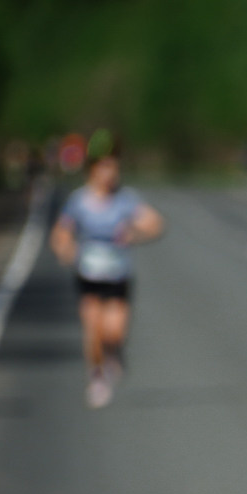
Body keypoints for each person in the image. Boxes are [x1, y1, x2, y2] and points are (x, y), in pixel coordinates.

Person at [51, 138, 163, 409]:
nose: (110, 174)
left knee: (114, 330)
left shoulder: (125, 200)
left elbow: (155, 223)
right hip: (89, 274)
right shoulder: (80, 201)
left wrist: (135, 233)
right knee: (93, 326)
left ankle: (114, 352)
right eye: (105, 168)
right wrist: (66, 249)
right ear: (93, 170)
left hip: (117, 275)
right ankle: (97, 376)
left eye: (114, 168)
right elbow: (62, 231)